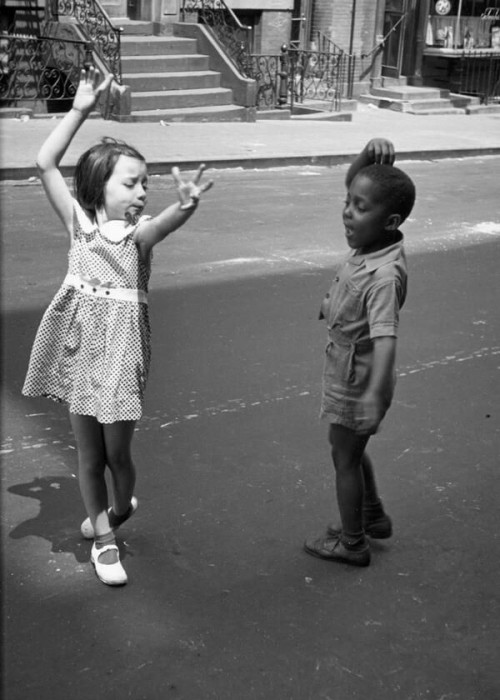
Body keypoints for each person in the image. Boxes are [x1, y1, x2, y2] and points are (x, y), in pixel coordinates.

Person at [22, 67, 213, 586]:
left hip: (121, 355)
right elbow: (44, 162)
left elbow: (161, 224)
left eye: (145, 183)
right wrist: (80, 109)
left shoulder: (137, 240)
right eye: (130, 183)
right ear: (96, 188)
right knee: (86, 455)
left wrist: (185, 204)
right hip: (81, 349)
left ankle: (121, 505)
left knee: (117, 455)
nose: (141, 192)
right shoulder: (79, 228)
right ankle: (105, 542)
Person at [304, 138, 416, 567]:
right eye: (348, 202)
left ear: (388, 221)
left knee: (344, 457)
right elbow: (357, 179)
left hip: (358, 376)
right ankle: (371, 515)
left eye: (360, 207)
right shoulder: (374, 242)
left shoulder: (383, 275)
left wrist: (371, 393)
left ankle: (353, 543)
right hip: (348, 367)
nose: (348, 212)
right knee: (348, 448)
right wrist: (368, 157)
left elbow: (387, 337)